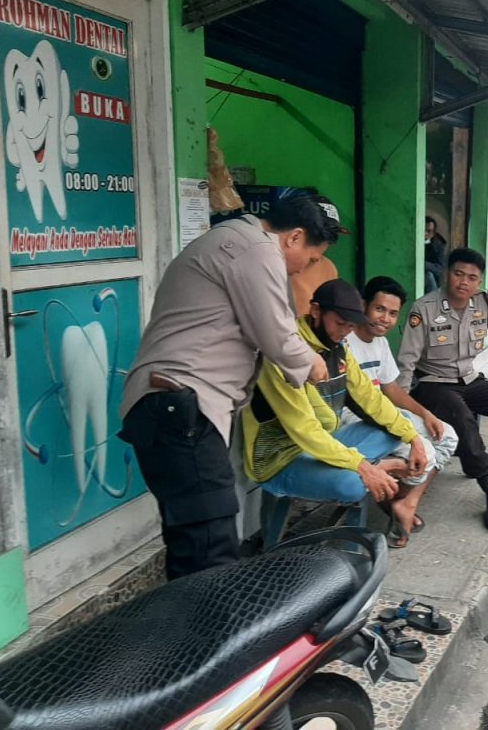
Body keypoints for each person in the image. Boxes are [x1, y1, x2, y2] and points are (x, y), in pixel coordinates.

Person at [119, 194, 341, 580]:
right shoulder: (255, 250)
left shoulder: (239, 242)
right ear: (294, 237)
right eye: (312, 257)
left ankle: (185, 634)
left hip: (176, 408)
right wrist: (314, 364)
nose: (308, 267)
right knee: (212, 549)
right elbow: (277, 333)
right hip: (179, 406)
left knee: (195, 544)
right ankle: (212, 635)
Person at [241, 279, 431, 547]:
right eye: (340, 323)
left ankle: (370, 468)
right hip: (281, 460)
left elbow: (369, 397)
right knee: (353, 485)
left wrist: (414, 439)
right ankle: (373, 470)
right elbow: (305, 430)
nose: (344, 332)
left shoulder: (339, 347)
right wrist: (362, 466)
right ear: (316, 311)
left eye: (350, 326)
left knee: (400, 426)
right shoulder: (286, 352)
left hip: (325, 443)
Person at [397, 247, 488, 531]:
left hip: (470, 379)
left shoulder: (486, 303)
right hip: (432, 384)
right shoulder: (423, 309)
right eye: (458, 274)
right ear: (446, 274)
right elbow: (407, 363)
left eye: (472, 277)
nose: (464, 282)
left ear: (480, 281)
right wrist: (399, 410)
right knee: (460, 416)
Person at [343, 276, 460, 543]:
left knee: (447, 435)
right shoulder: (346, 339)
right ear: (364, 305)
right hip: (355, 418)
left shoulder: (380, 343)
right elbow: (361, 401)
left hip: (384, 413)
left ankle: (406, 503)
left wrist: (426, 415)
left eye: (393, 313)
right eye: (379, 309)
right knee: (424, 454)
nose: (385, 318)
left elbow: (391, 390)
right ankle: (392, 503)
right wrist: (409, 430)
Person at [424, 217, 447, 292]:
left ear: (433, 233)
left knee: (429, 275)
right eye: (423, 230)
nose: (425, 233)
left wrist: (423, 264)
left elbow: (439, 269)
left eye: (429, 231)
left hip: (432, 281)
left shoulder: (438, 245)